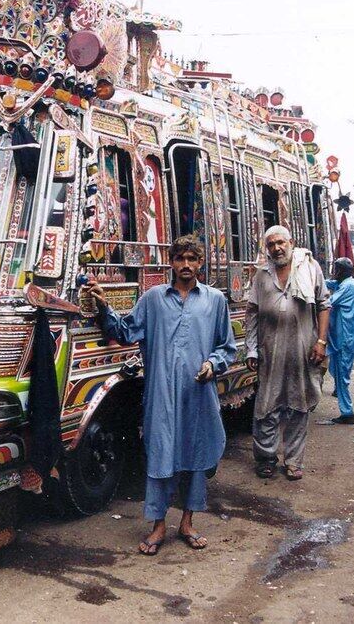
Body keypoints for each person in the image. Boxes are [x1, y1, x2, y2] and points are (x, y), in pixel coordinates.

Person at [84, 235, 236, 556]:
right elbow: (125, 331)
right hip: (161, 396)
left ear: (201, 263)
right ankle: (158, 525)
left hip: (198, 395)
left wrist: (212, 363)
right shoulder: (153, 299)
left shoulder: (214, 300)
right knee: (160, 453)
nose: (185, 265)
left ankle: (188, 522)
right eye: (180, 258)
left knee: (195, 454)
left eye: (192, 259)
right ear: (171, 262)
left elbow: (227, 347)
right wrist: (103, 306)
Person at [245, 225, 330, 480]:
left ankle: (293, 461)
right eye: (271, 245)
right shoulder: (262, 275)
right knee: (265, 407)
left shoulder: (310, 267)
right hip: (270, 350)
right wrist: (251, 349)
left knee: (299, 406)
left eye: (280, 242)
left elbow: (324, 305)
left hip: (303, 349)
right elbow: (252, 314)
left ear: (291, 242)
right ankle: (266, 458)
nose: (276, 248)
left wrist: (321, 342)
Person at [326, 258, 354, 424]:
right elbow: (332, 284)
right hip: (345, 336)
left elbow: (328, 302)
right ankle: (346, 410)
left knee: (342, 376)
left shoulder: (348, 286)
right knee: (339, 373)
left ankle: (347, 412)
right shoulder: (350, 283)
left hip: (343, 337)